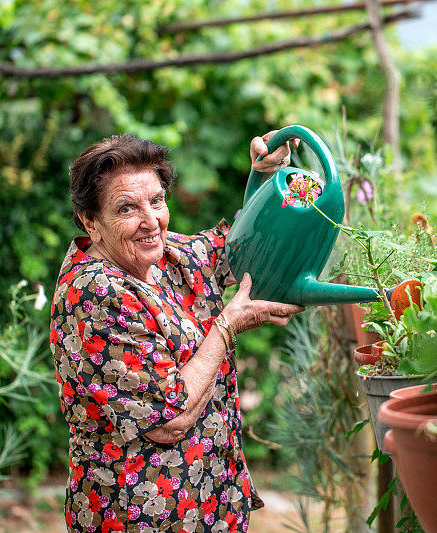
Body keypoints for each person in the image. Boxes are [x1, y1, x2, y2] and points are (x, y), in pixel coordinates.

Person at [49, 131, 304, 532]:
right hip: (143, 514)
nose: (151, 221)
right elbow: (169, 421)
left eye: (157, 200)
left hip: (207, 501)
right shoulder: (96, 294)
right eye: (127, 208)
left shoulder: (167, 257)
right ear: (90, 222)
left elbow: (246, 248)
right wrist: (227, 327)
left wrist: (268, 180)